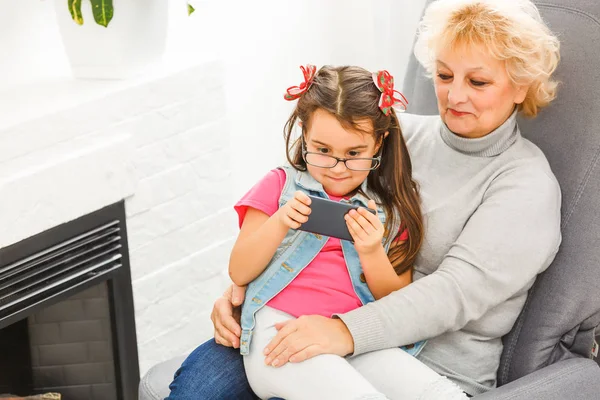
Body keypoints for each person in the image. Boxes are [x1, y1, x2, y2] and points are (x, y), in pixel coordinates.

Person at [167, 0, 562, 398]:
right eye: (444, 75)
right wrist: (241, 291)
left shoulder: (525, 185)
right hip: (309, 324)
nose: (454, 95)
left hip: (420, 362)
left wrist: (344, 331)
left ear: (522, 84)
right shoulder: (392, 135)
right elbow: (296, 192)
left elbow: (451, 295)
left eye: (478, 82)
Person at [227, 63, 465, 400]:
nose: (338, 168)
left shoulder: (391, 209)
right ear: (303, 134)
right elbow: (239, 270)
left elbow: (395, 301)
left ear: (379, 143)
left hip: (353, 334)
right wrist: (279, 222)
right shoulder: (279, 186)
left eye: (354, 154)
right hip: (277, 330)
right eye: (323, 151)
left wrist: (371, 251)